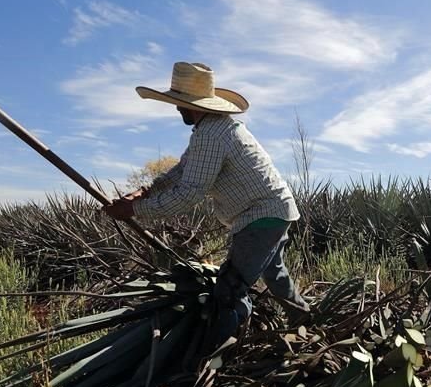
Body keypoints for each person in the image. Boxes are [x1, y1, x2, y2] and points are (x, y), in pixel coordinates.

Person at [104, 61, 309, 344]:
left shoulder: (211, 135)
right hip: (276, 209)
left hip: (261, 214)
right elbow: (182, 170)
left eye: (180, 103)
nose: (177, 109)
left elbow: (189, 193)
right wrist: (144, 190)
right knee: (275, 273)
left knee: (230, 289)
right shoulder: (212, 129)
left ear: (193, 104)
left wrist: (135, 210)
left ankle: (217, 350)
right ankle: (305, 319)